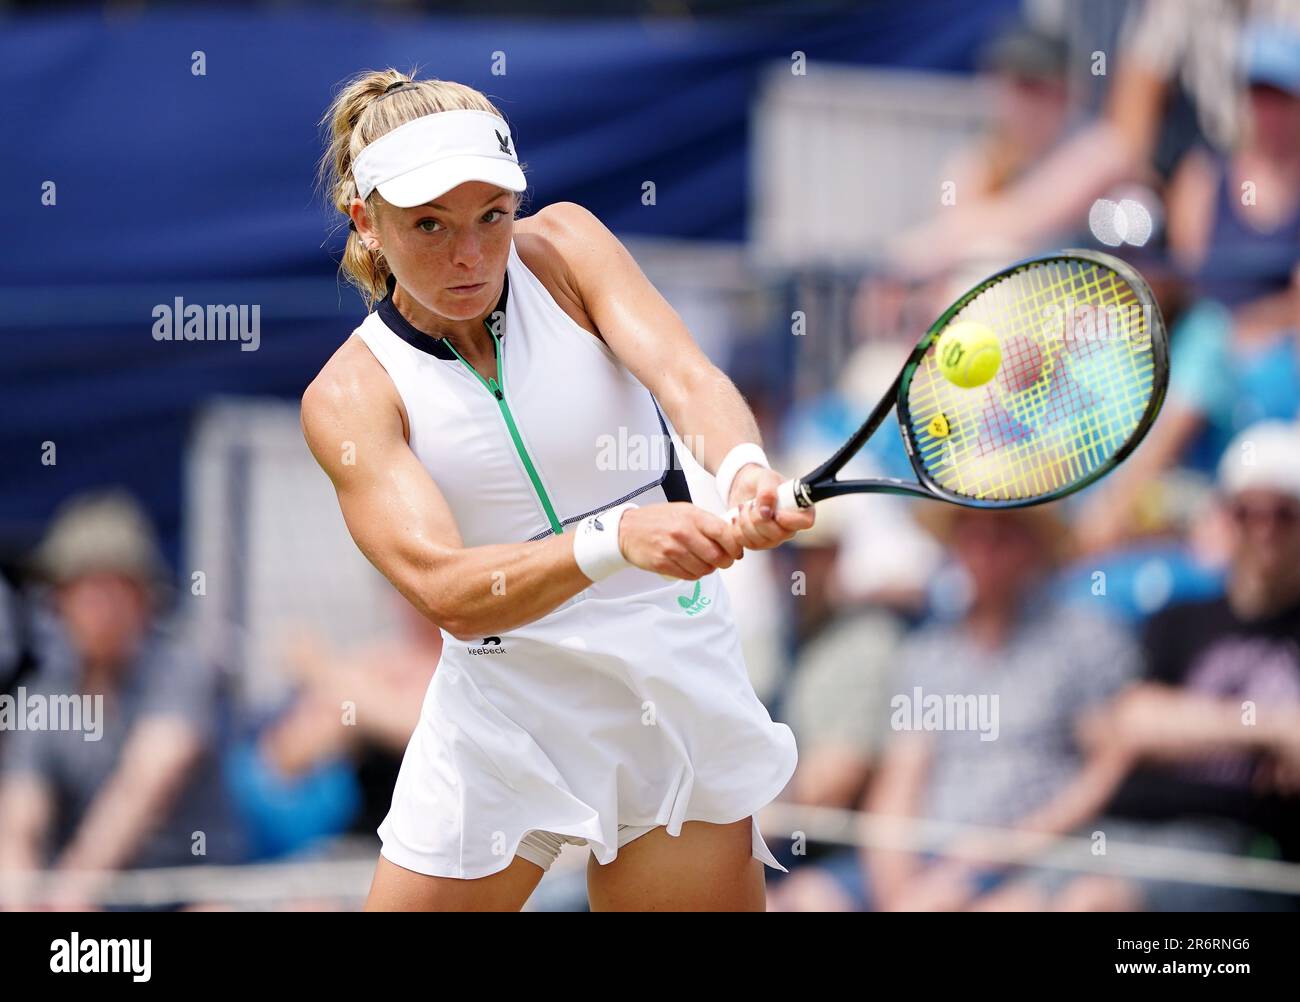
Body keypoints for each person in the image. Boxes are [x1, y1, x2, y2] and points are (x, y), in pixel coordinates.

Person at [304, 70, 813, 912]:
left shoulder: (568, 246)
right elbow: (446, 591)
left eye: (492, 217)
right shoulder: (350, 396)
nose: (469, 256)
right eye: (429, 224)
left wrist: (745, 469)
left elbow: (686, 378)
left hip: (669, 679)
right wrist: (619, 540)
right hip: (502, 708)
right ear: (367, 220)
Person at [0, 492, 246, 910]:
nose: (99, 608)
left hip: (193, 894)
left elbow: (144, 785)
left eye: (112, 590)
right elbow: (19, 823)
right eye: (83, 591)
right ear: (59, 602)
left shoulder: (181, 671)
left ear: (143, 597)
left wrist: (72, 889)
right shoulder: (43, 697)